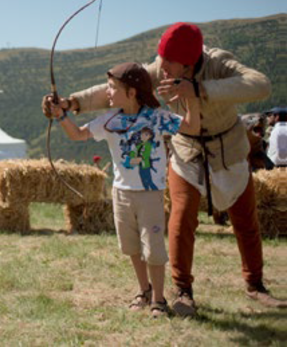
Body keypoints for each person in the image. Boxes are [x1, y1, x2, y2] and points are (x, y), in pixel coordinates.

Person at [42, 22, 285, 315]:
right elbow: (115, 89)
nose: (161, 67)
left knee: (245, 220)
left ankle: (255, 285)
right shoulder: (162, 67)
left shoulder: (218, 62)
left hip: (228, 149)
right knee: (181, 222)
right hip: (187, 150)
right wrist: (72, 102)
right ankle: (182, 291)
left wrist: (198, 89)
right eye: (161, 59)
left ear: (189, 61)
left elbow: (260, 84)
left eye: (169, 62)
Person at [50, 62, 201, 318]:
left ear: (132, 92)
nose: (107, 93)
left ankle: (159, 300)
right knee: (131, 247)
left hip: (150, 194)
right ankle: (144, 290)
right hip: (120, 193)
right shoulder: (109, 120)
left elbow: (192, 128)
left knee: (153, 248)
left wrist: (192, 99)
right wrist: (60, 115)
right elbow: (77, 135)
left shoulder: (156, 116)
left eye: (112, 87)